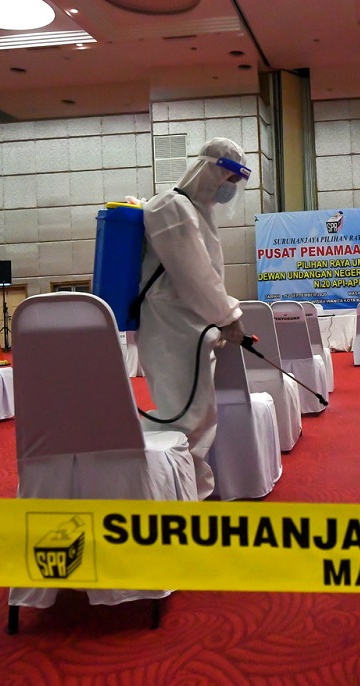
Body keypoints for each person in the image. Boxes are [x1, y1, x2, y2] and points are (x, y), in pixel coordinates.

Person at [136, 137, 250, 500]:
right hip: (172, 331)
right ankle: (175, 491)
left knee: (197, 415)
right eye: (228, 181)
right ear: (212, 170)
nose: (230, 191)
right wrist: (229, 317)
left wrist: (221, 320)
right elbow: (196, 276)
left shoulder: (196, 212)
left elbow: (206, 276)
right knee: (185, 415)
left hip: (191, 331)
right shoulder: (171, 207)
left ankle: (187, 489)